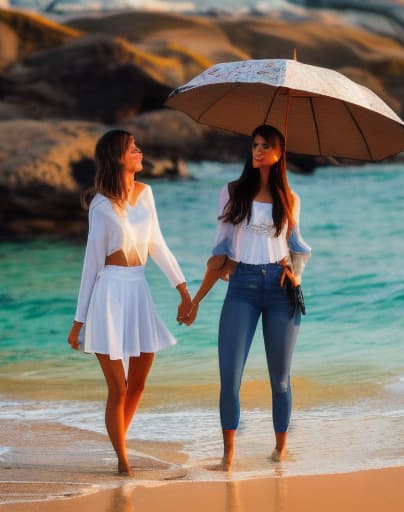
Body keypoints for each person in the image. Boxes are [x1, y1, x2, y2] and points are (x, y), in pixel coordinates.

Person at [183, 124, 311, 470]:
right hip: (241, 287)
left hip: (281, 290)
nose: (257, 150)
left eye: (265, 145)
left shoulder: (290, 198)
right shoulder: (231, 192)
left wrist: (294, 274)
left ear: (278, 152)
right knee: (230, 375)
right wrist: (195, 299)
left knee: (280, 379)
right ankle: (228, 456)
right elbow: (220, 249)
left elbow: (298, 248)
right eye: (254, 144)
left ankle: (280, 452)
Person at [67, 129, 192, 477]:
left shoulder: (146, 194)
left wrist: (183, 290)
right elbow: (92, 262)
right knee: (118, 388)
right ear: (117, 157)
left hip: (138, 291)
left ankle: (118, 441)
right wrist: (79, 322)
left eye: (138, 146)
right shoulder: (101, 205)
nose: (139, 151)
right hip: (108, 294)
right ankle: (123, 460)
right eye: (132, 148)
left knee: (137, 384)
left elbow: (158, 245)